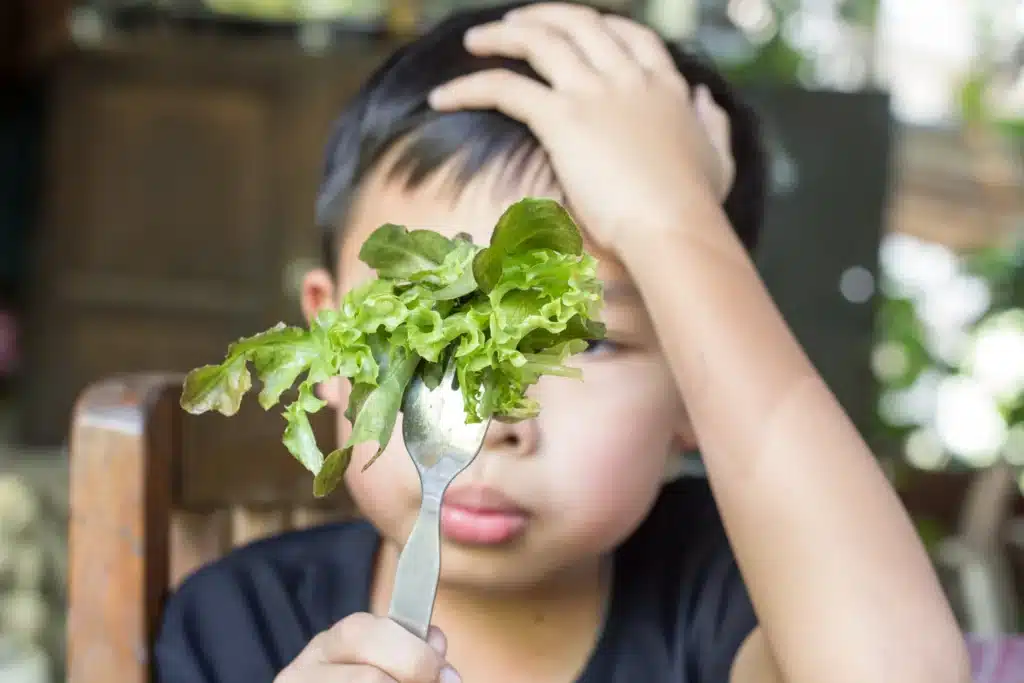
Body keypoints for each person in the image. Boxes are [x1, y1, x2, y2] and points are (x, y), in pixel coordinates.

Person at [154, 3, 970, 682]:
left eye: (586, 344)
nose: (493, 419)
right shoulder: (238, 622)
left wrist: (670, 217)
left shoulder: (736, 594)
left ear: (697, 380)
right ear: (331, 348)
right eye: (419, 324)